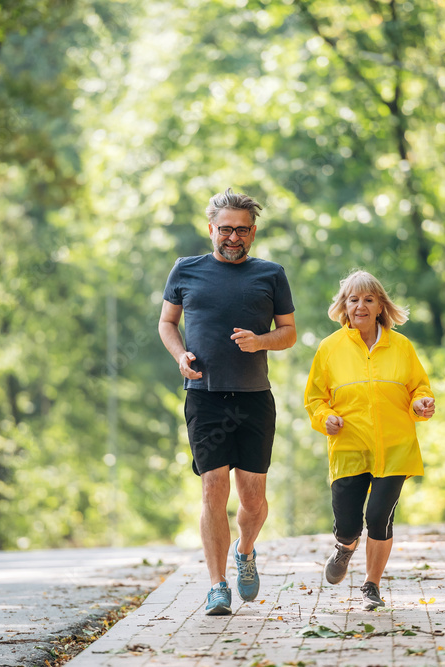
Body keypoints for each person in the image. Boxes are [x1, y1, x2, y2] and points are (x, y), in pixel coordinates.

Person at [158, 187, 296, 616]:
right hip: (205, 397)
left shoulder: (271, 274)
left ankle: (245, 549)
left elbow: (289, 332)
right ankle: (216, 585)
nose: (232, 237)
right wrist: (180, 354)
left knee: (252, 500)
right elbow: (166, 322)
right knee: (212, 487)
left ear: (252, 233)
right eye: (225, 229)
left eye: (241, 230)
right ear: (211, 230)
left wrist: (260, 342)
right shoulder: (185, 270)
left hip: (254, 398)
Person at [304, 269, 435, 611]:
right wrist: (324, 418)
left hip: (395, 448)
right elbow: (315, 399)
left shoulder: (401, 346)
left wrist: (421, 402)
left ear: (380, 306)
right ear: (344, 307)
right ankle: (346, 547)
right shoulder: (329, 349)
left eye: (368, 299)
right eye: (353, 299)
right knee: (347, 526)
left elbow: (419, 387)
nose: (360, 305)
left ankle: (371, 585)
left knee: (379, 517)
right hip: (349, 449)